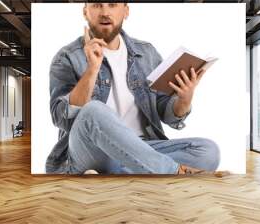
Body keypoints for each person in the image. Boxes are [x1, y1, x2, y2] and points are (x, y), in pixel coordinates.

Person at [46, 3, 220, 175]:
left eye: (113, 4)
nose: (105, 12)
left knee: (208, 151)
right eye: (97, 5)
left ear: (126, 11)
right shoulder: (66, 57)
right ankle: (171, 171)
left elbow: (164, 111)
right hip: (92, 150)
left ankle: (118, 172)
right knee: (93, 111)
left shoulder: (147, 53)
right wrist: (92, 70)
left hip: (143, 148)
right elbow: (60, 118)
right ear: (86, 12)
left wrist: (184, 99)